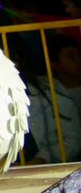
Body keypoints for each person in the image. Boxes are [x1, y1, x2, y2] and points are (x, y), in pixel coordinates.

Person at [26, 35, 80, 164]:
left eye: (80, 55)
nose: (79, 61)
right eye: (71, 57)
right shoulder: (45, 91)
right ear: (54, 64)